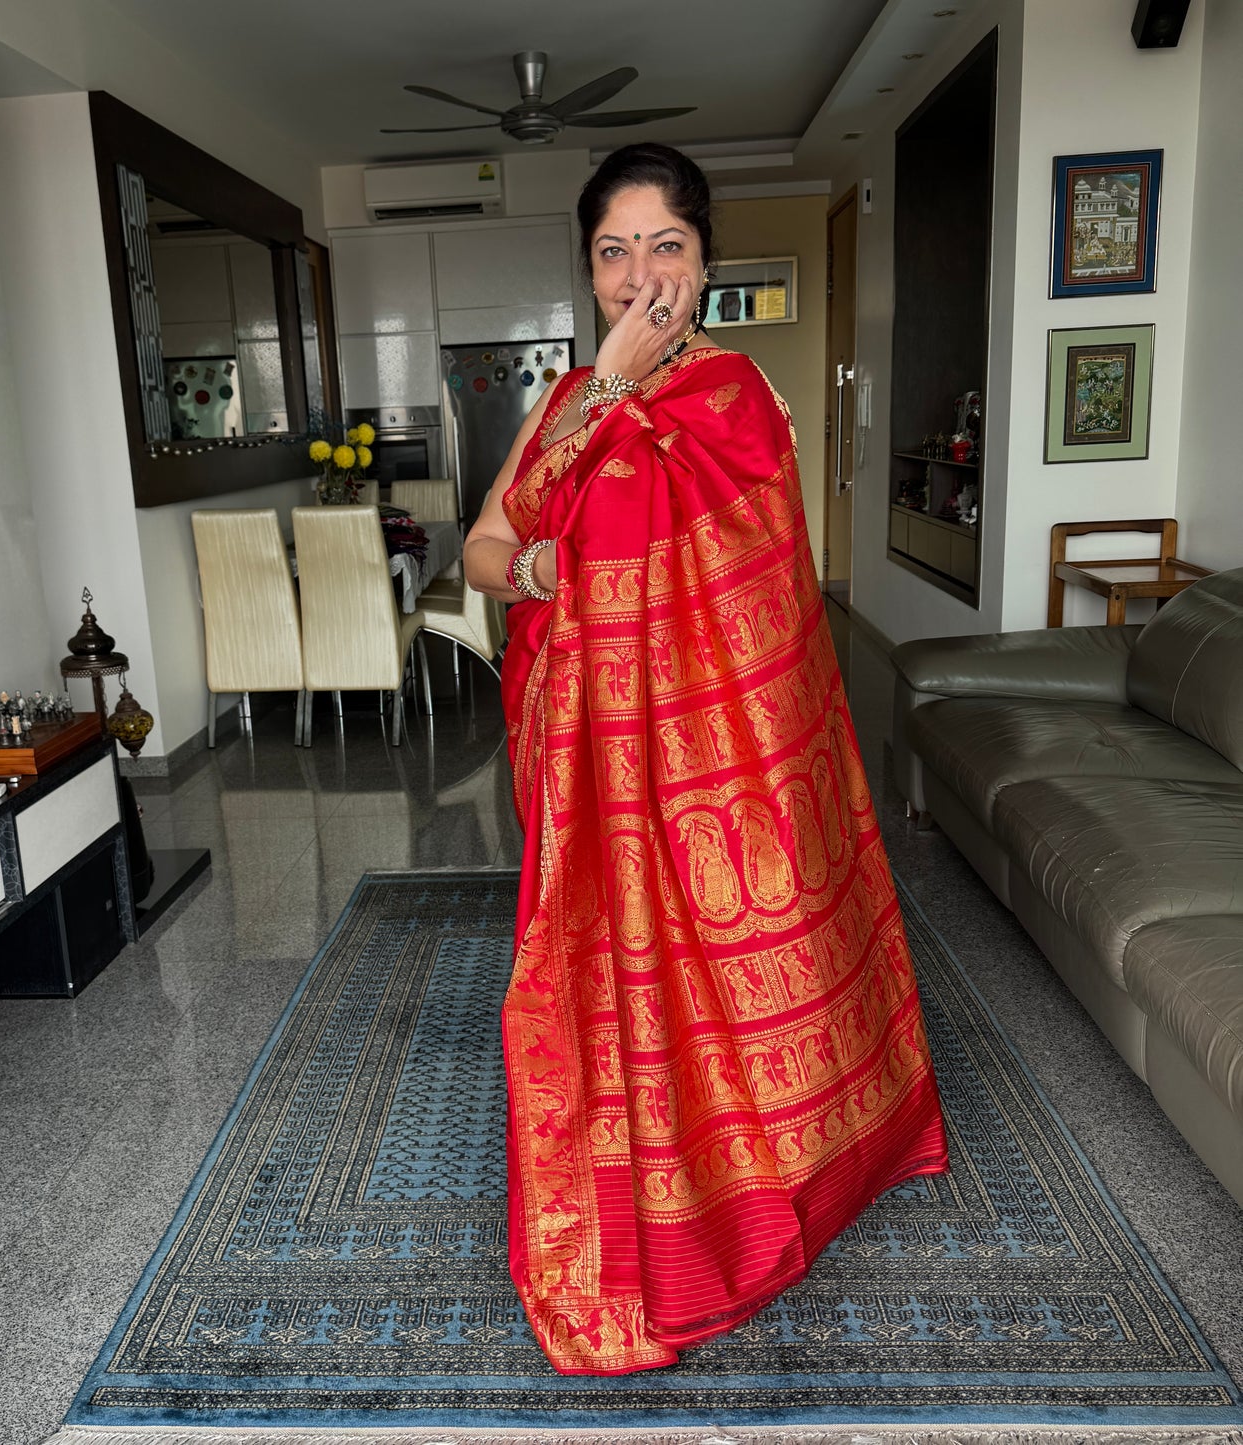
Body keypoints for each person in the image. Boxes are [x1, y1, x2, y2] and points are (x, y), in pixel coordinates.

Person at [463, 143, 948, 1377]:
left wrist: (629, 401)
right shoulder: (565, 397)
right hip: (593, 757)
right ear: (586, 270)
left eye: (663, 245)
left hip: (722, 754)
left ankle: (778, 1166)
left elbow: (771, 594)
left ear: (705, 263)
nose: (640, 276)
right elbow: (484, 548)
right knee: (614, 974)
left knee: (740, 956)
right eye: (612, 252)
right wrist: (545, 556)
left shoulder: (742, 399)